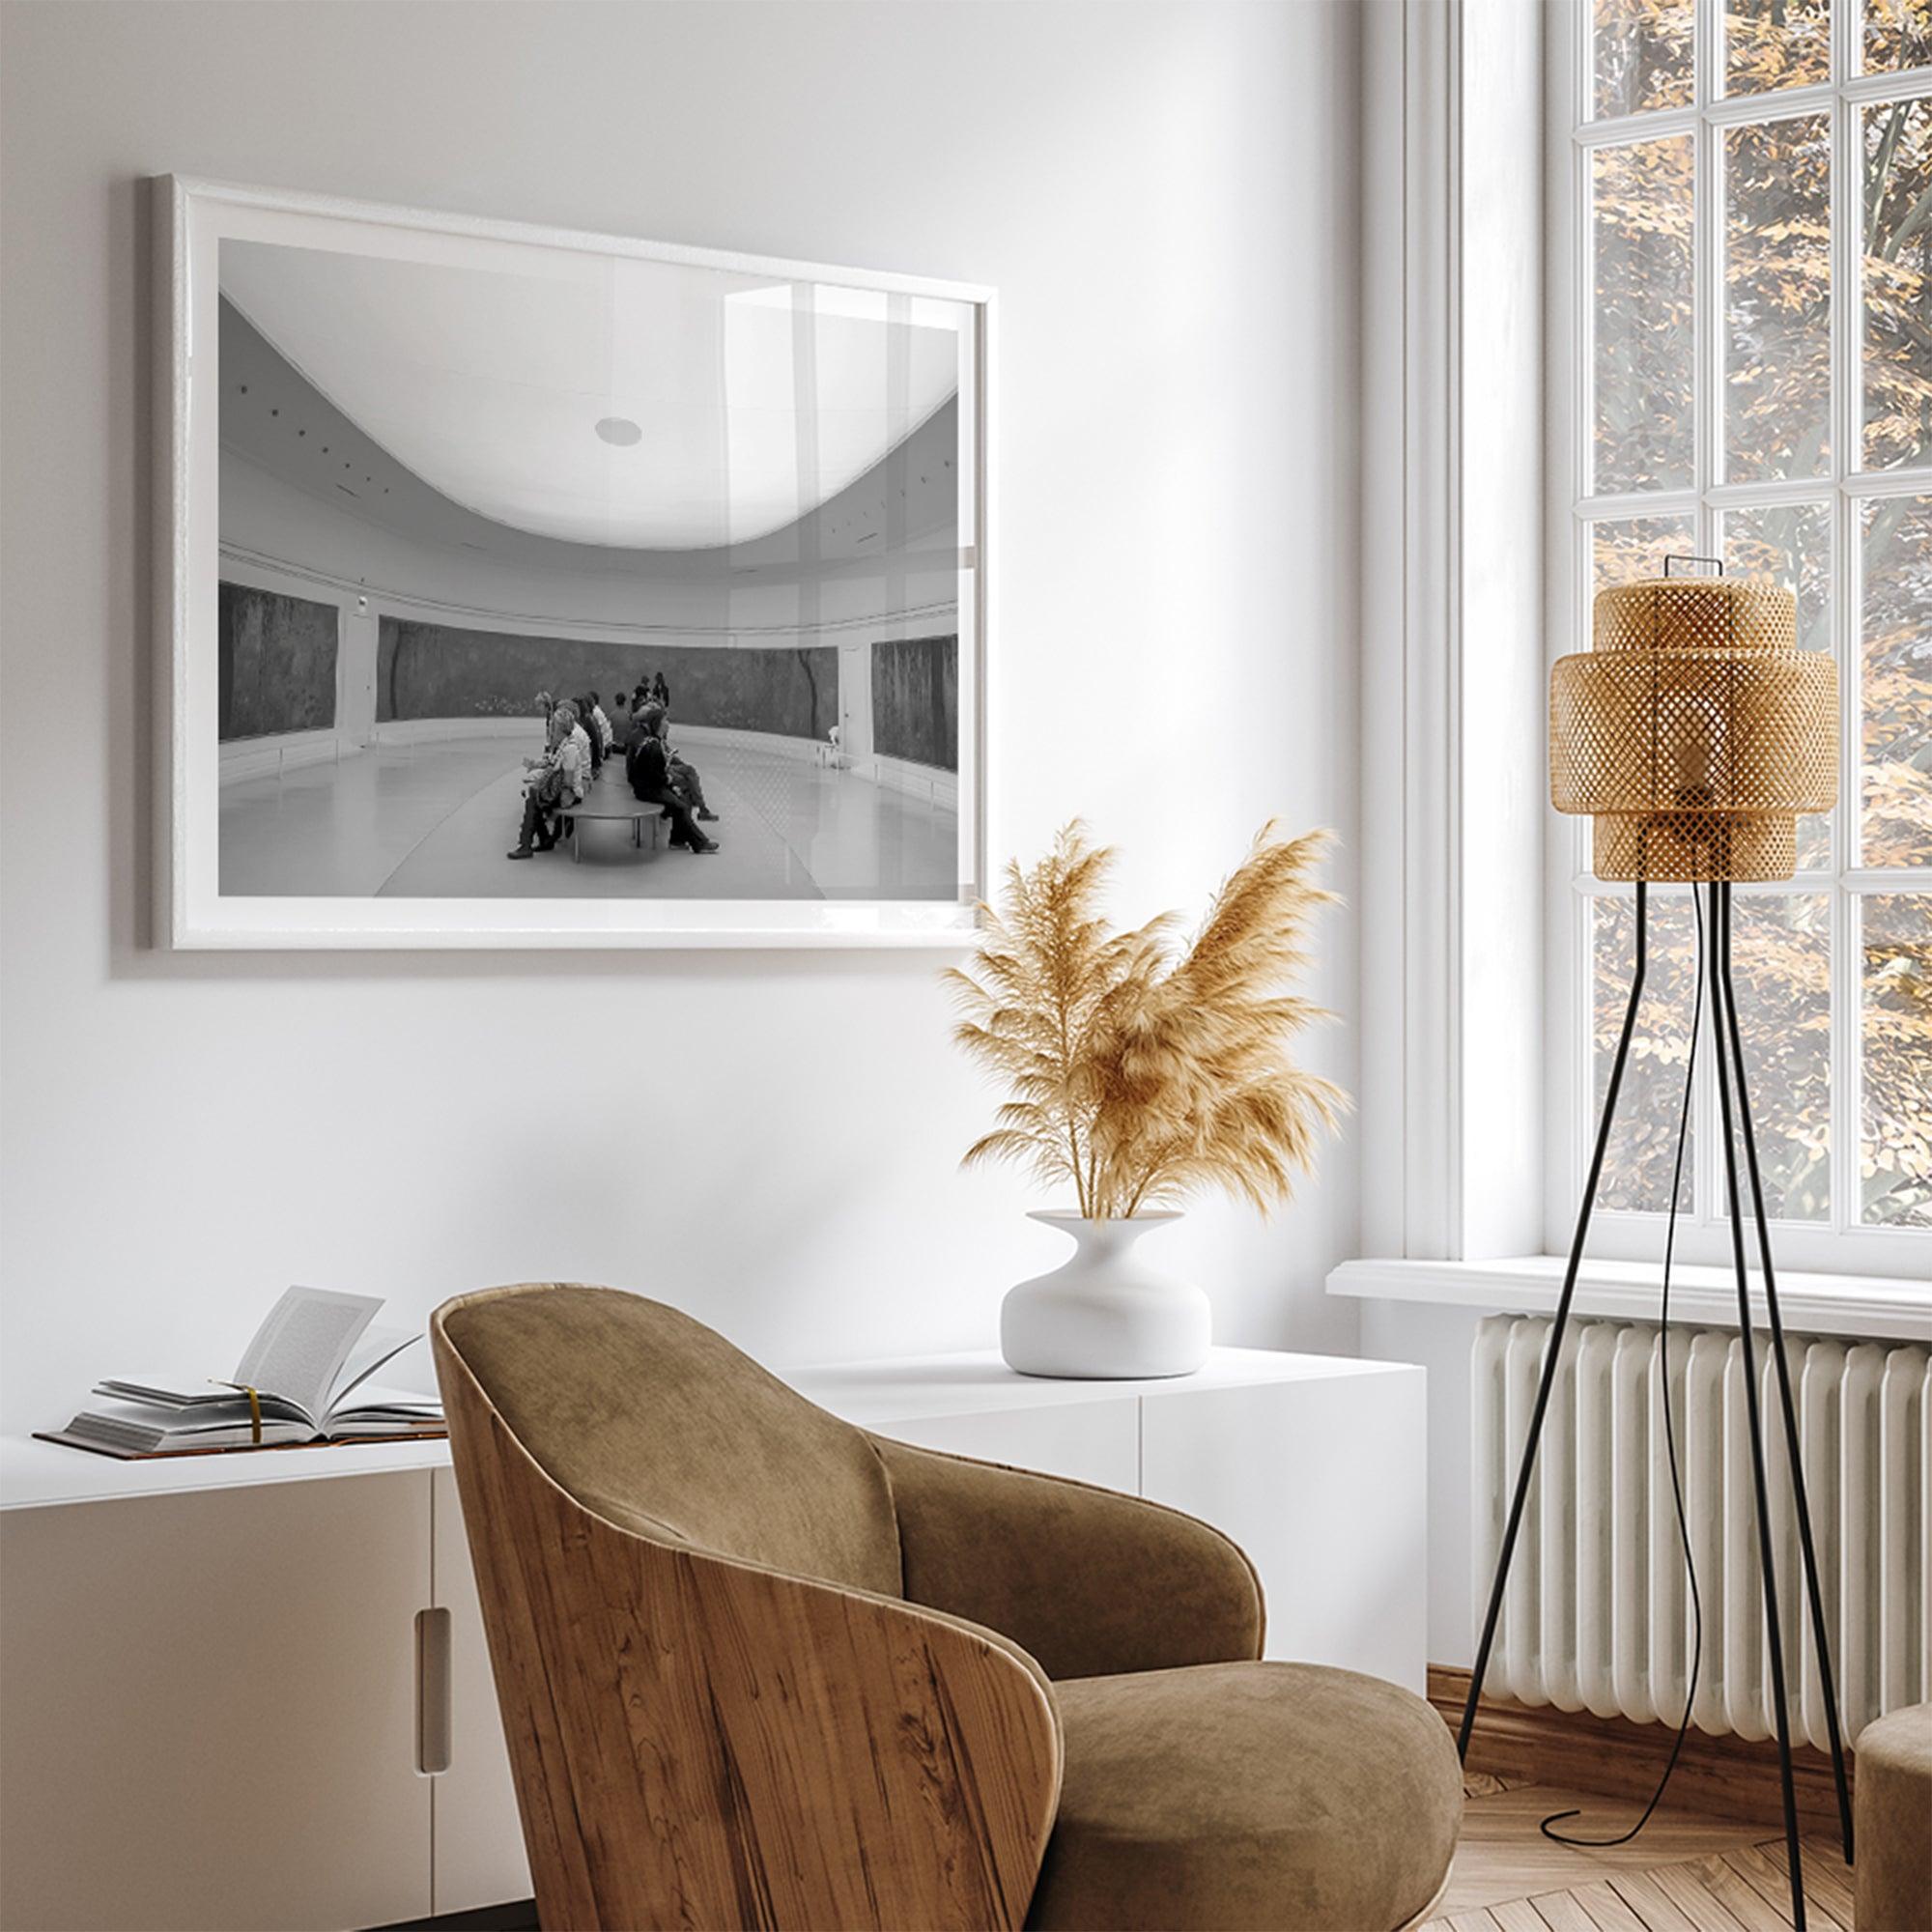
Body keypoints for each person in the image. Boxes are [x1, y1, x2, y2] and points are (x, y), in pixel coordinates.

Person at [627, 703, 718, 854]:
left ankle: (678, 840)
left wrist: (667, 782)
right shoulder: (653, 746)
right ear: (658, 724)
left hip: (650, 787)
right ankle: (699, 843)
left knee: (683, 799)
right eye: (665, 721)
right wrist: (669, 781)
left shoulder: (652, 742)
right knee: (680, 805)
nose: (668, 724)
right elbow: (655, 777)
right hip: (648, 790)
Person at [507, 706, 587, 859]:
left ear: (561, 729)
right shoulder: (563, 746)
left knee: (533, 798)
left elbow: (568, 783)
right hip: (563, 791)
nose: (551, 730)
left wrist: (548, 792)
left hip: (570, 795)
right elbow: (551, 763)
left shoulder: (570, 749)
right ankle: (538, 840)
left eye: (554, 727)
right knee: (533, 796)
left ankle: (526, 844)